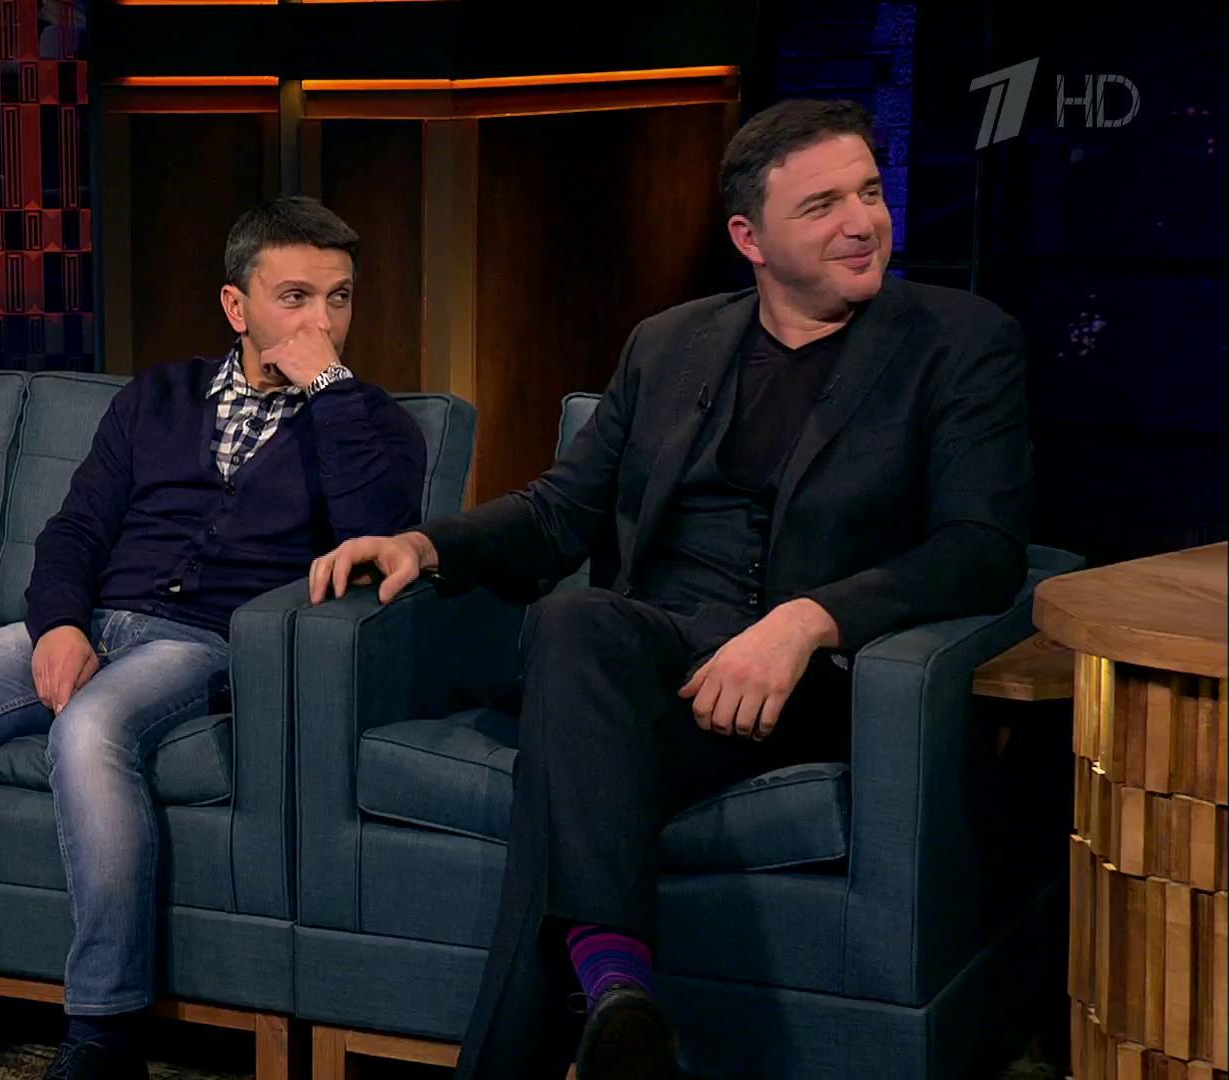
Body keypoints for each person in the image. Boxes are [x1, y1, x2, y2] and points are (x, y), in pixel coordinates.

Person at [310, 99, 1033, 1079]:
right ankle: (617, 1006)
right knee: (576, 625)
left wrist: (809, 622)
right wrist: (425, 544)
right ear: (751, 238)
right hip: (651, 663)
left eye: (869, 192)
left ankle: (605, 993)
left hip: (803, 684)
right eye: (822, 205)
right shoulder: (671, 342)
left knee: (560, 753)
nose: (862, 222)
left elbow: (981, 548)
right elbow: (562, 510)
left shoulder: (960, 341)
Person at [0, 196, 427, 1079]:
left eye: (339, 298)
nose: (322, 322)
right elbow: (75, 529)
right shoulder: (157, 396)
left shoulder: (374, 425)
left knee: (89, 731)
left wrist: (329, 392)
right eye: (296, 298)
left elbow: (374, 535)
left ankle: (103, 1034)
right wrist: (58, 625)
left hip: (205, 643)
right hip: (92, 618)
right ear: (236, 306)